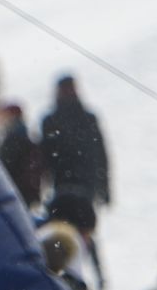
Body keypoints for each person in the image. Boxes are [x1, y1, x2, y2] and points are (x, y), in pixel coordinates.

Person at [39, 75, 110, 208]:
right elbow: (44, 155)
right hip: (62, 182)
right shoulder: (50, 121)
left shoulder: (88, 118)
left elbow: (100, 154)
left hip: (84, 183)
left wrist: (104, 188)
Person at [0, 102, 41, 206]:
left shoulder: (13, 138)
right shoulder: (24, 136)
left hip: (15, 193)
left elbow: (5, 167)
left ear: (10, 116)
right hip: (26, 194)